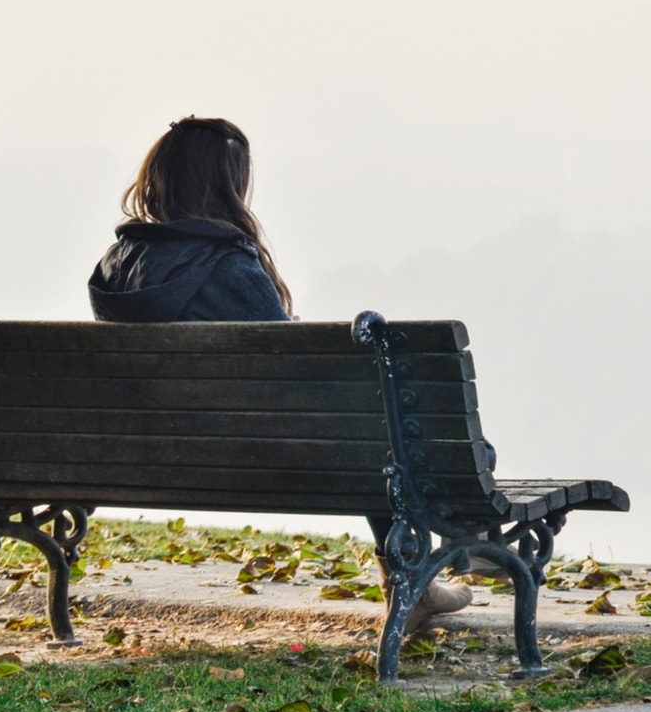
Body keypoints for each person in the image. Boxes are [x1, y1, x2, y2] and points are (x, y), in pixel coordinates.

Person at [88, 116, 471, 636]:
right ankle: (426, 573)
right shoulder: (227, 265)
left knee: (372, 427)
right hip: (262, 457)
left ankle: (443, 562)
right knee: (379, 427)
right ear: (230, 184)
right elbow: (297, 373)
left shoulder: (117, 264)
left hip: (146, 460)